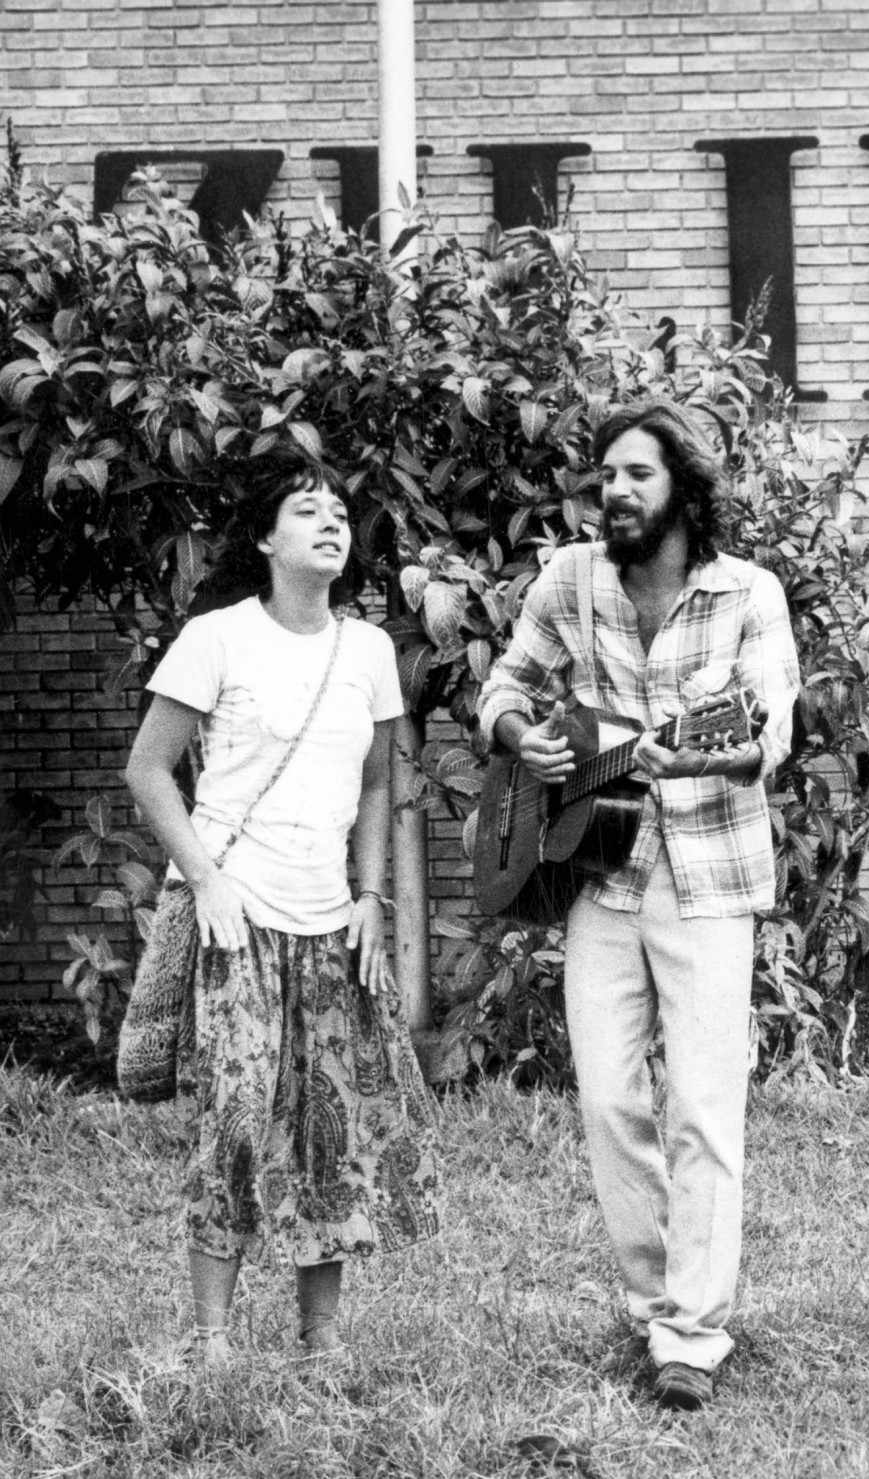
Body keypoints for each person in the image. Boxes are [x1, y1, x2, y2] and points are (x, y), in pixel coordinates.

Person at [478, 399, 798, 1412]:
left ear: (683, 493)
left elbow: (767, 727)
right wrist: (514, 733)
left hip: (707, 874)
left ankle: (693, 1334)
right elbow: (509, 682)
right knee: (610, 1098)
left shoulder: (748, 593)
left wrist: (716, 748)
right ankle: (652, 1298)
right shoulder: (571, 579)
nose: (614, 491)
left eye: (637, 476)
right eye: (606, 474)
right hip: (599, 869)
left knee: (704, 1109)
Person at [123, 460, 440, 1366]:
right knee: (232, 1115)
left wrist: (371, 898)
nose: (333, 523)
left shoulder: (371, 650)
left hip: (329, 923)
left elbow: (380, 780)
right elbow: (149, 771)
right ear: (266, 539)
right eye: (309, 511)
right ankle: (213, 1339)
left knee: (326, 1125)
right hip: (237, 918)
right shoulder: (216, 638)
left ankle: (322, 1340)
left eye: (341, 512)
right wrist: (205, 880)